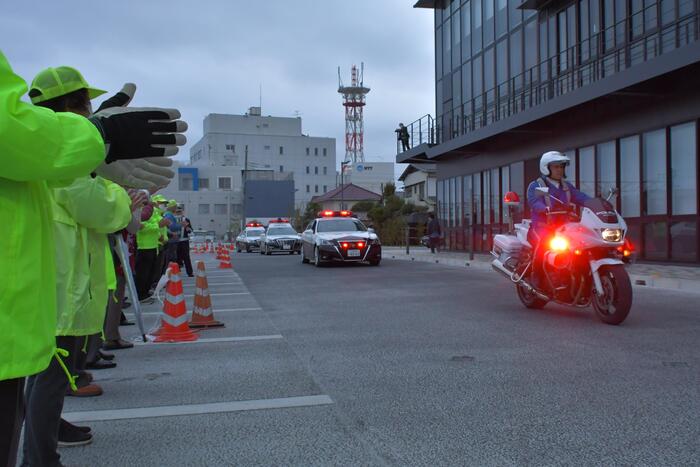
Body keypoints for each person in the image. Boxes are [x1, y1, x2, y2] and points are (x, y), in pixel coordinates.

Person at [0, 51, 186, 467]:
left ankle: (48, 438)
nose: (89, 109)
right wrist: (100, 147)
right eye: (85, 102)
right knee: (49, 377)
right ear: (71, 105)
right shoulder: (46, 160)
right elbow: (92, 205)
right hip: (56, 289)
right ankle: (41, 456)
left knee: (47, 377)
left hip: (53, 285)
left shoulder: (49, 159)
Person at [526, 151, 590, 290]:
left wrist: (595, 203)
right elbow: (534, 201)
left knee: (582, 243)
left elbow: (580, 197)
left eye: (561, 167)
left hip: (564, 227)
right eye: (556, 167)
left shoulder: (566, 187)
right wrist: (544, 208)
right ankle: (536, 275)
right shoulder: (538, 185)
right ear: (546, 168)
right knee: (545, 243)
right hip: (543, 227)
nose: (560, 170)